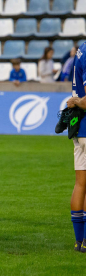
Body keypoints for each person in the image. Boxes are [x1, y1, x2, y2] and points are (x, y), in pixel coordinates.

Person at [66, 43, 86, 252]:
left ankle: (79, 241)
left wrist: (76, 101)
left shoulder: (81, 49)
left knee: (81, 184)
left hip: (79, 129)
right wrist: (79, 102)